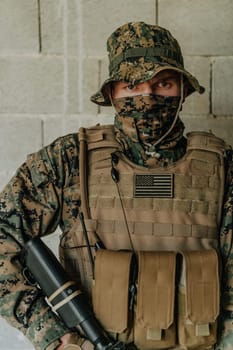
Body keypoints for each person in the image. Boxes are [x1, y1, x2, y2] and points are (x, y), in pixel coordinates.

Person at [0, 21, 232, 350]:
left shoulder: (221, 166)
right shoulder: (68, 161)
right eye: (132, 87)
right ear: (112, 94)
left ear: (181, 89)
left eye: (162, 83)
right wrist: (52, 335)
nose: (147, 97)